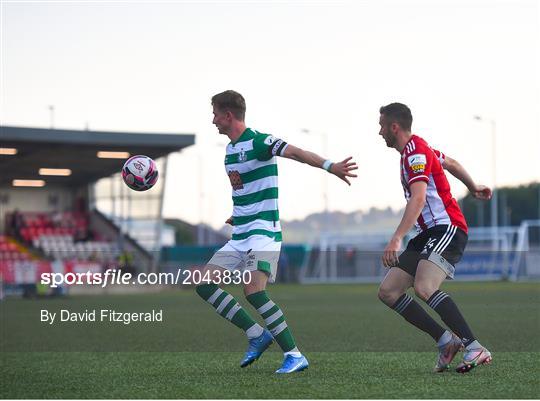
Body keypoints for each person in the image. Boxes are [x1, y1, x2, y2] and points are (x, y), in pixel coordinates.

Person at [195, 90, 357, 374]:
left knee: (253, 290)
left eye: (215, 114)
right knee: (204, 283)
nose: (213, 121)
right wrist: (239, 213)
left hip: (264, 234)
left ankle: (294, 355)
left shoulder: (259, 141)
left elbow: (296, 152)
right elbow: (244, 190)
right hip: (241, 234)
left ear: (228, 115)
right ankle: (257, 334)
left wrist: (331, 166)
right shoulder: (230, 151)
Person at [377, 102, 493, 373]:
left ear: (394, 126)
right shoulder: (418, 149)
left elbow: (418, 198)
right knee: (388, 291)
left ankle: (474, 346)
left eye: (382, 125)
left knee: (424, 287)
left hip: (447, 228)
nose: (379, 131)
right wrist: (473, 186)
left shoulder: (415, 153)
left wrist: (396, 238)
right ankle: (445, 341)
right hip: (427, 234)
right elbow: (450, 162)